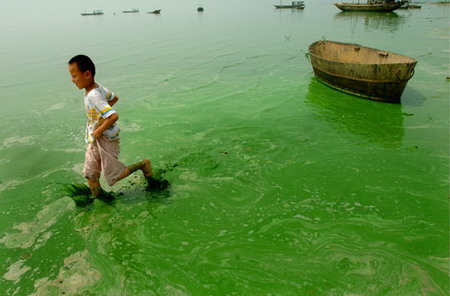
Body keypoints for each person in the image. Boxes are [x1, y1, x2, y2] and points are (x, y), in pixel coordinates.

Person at [68, 54, 153, 198]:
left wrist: (100, 129)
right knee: (90, 174)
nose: (72, 80)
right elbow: (114, 98)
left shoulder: (93, 95)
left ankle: (143, 165)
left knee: (114, 177)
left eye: (74, 76)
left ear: (87, 74)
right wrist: (101, 118)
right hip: (95, 138)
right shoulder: (96, 87)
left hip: (105, 139)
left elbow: (113, 116)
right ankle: (99, 200)